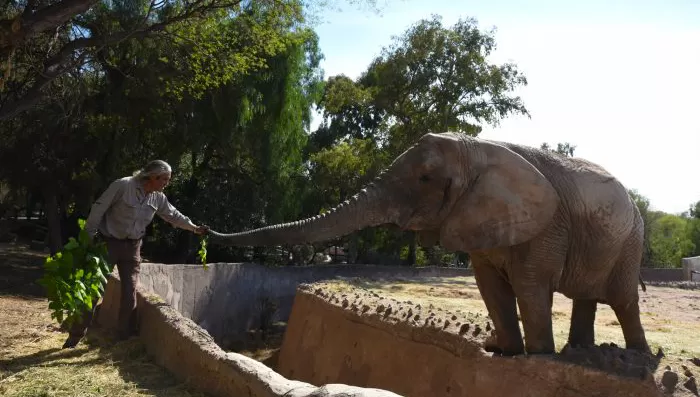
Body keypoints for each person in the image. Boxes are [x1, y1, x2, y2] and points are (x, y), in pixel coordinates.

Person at [63, 160, 208, 348]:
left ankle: (122, 341)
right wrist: (88, 237)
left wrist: (195, 228)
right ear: (153, 176)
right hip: (108, 243)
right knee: (93, 290)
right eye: (164, 179)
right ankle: (75, 336)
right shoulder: (123, 186)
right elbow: (99, 208)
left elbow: (173, 215)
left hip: (133, 247)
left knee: (130, 293)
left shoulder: (158, 198)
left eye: (168, 180)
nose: (166, 183)